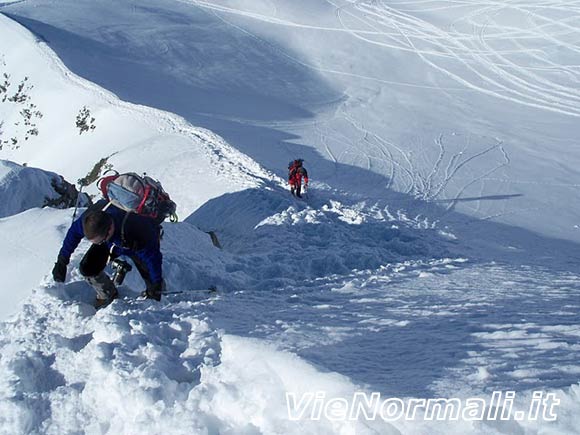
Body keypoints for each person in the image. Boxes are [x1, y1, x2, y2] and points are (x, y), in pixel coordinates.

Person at [51, 199, 164, 307]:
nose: (98, 243)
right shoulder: (90, 220)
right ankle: (108, 293)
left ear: (109, 229)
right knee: (88, 268)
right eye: (96, 242)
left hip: (134, 244)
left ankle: (155, 302)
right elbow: (73, 234)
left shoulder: (137, 229)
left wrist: (156, 282)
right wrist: (62, 261)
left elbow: (153, 257)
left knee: (153, 284)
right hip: (113, 243)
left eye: (100, 240)